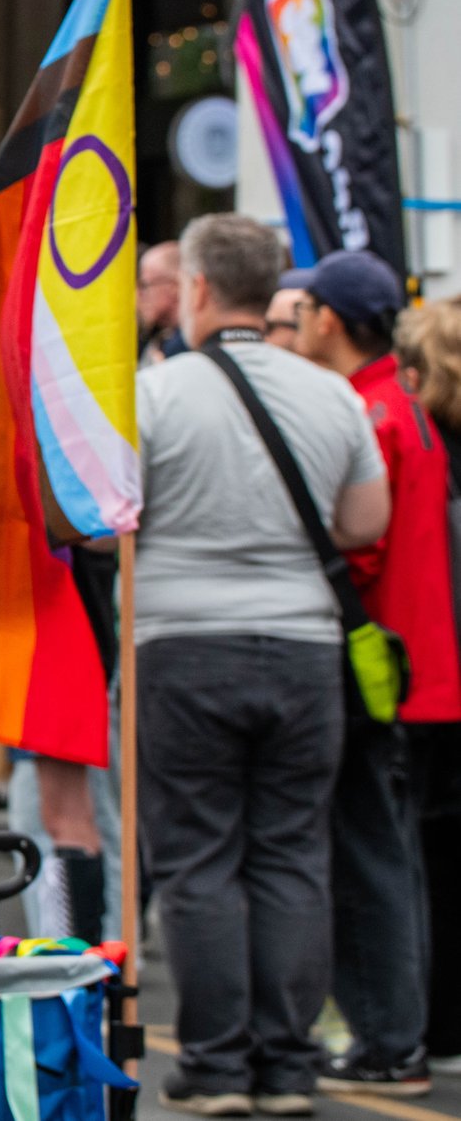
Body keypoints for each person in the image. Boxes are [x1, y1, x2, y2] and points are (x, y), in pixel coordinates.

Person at [133, 214, 390, 1116]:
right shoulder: (334, 397)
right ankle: (286, 1065)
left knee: (198, 857)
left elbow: (105, 518)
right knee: (292, 853)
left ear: (196, 287)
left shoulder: (155, 394)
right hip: (304, 648)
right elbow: (363, 524)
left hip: (182, 641)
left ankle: (215, 1062)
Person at [287, 250, 453, 1096]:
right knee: (393, 851)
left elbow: (362, 540)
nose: (297, 318)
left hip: (376, 660)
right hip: (415, 661)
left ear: (331, 320)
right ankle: (404, 1029)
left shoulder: (370, 409)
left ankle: (389, 1036)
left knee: (367, 855)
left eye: (305, 306)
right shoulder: (401, 401)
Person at [393, 299, 461, 1074]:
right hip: (438, 664)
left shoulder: (415, 439)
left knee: (422, 849)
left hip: (428, 668)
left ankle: (434, 1020)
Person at [139, 239, 185, 363]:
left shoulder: (187, 346)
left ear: (175, 286)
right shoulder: (161, 340)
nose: (139, 295)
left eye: (145, 285)